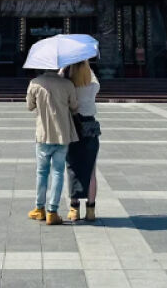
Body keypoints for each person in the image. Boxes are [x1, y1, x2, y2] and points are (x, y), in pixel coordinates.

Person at [26, 65, 79, 225]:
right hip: (62, 134)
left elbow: (29, 106)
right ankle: (52, 211)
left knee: (41, 172)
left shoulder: (35, 83)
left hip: (43, 134)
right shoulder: (67, 84)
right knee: (58, 172)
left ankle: (39, 209)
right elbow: (74, 107)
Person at [63, 60, 101, 222]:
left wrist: (63, 68)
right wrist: (87, 66)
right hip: (90, 126)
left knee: (72, 167)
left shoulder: (68, 86)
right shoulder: (93, 86)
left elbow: (59, 81)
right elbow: (93, 78)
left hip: (73, 125)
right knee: (91, 170)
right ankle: (91, 210)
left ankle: (74, 208)